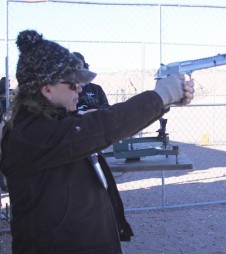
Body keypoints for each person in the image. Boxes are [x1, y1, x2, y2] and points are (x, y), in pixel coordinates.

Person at [0, 30, 194, 254]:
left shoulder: (51, 124)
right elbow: (103, 126)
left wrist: (165, 101)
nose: (80, 88)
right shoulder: (31, 136)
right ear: (47, 89)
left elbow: (103, 125)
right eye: (73, 84)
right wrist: (160, 96)